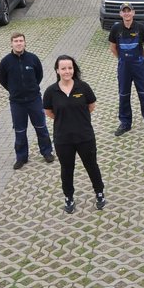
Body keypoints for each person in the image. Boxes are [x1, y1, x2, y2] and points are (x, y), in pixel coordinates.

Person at [43, 55, 106, 214]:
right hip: (63, 139)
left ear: (74, 69)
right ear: (57, 70)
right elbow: (49, 112)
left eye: (69, 68)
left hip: (85, 137)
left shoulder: (83, 87)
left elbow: (91, 106)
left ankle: (99, 192)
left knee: (91, 166)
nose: (67, 71)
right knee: (67, 169)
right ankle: (69, 196)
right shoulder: (51, 91)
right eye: (63, 68)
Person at [0, 32, 54, 170]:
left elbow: (39, 76)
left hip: (34, 100)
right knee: (20, 130)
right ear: (11, 43)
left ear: (25, 42)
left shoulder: (33, 59)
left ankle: (47, 152)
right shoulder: (5, 62)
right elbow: (3, 80)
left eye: (21, 40)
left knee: (41, 127)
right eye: (16, 41)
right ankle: (21, 157)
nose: (18, 43)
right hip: (17, 103)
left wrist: (31, 89)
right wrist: (14, 90)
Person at [109, 2, 144, 136]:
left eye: (128, 11)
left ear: (133, 12)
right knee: (124, 94)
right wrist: (121, 59)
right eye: (124, 11)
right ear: (121, 14)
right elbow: (113, 47)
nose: (126, 13)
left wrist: (140, 57)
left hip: (139, 66)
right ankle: (125, 123)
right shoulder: (116, 29)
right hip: (124, 67)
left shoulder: (141, 28)